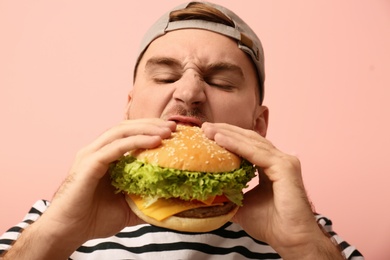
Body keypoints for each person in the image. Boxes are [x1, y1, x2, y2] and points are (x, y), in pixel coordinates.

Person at [0, 1, 363, 259]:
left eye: (220, 82)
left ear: (258, 125)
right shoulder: (47, 221)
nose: (188, 93)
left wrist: (303, 249)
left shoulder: (312, 235)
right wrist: (54, 237)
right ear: (129, 108)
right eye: (165, 76)